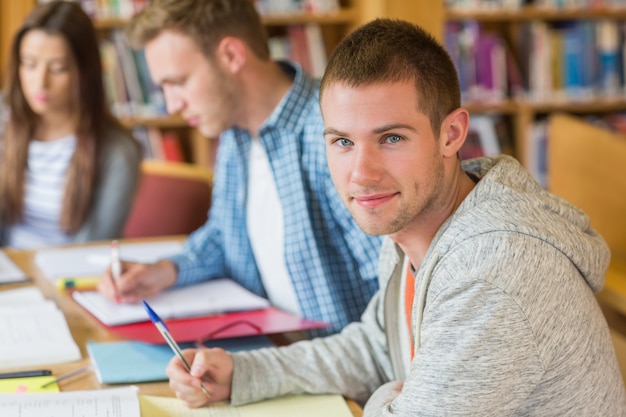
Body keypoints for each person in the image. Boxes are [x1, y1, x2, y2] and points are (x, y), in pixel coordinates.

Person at [165, 18, 626, 415]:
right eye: (342, 142)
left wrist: (385, 399)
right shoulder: (415, 226)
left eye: (391, 139)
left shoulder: (491, 272)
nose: (362, 174)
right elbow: (374, 345)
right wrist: (244, 372)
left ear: (452, 134)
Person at [97, 0, 382, 335]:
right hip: (271, 344)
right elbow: (225, 235)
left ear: (231, 55)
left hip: (339, 367)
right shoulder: (234, 133)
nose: (173, 104)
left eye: (179, 82)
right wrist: (164, 271)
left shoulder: (334, 132)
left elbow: (391, 282)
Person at [0, 1, 141, 249]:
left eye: (58, 68)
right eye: (29, 64)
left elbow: (89, 248)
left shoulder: (118, 152)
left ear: (84, 71)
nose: (40, 82)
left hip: (67, 276)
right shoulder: (4, 122)